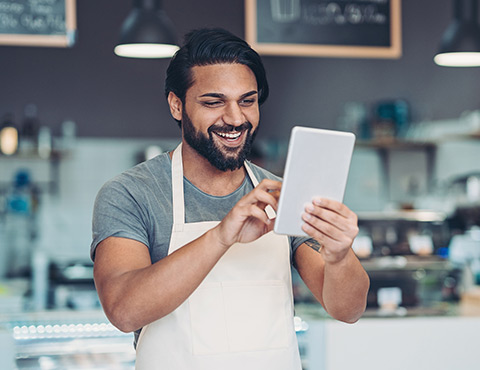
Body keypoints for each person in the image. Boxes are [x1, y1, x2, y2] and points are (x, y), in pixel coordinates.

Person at [91, 28, 369, 370]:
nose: (236, 119)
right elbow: (123, 311)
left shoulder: (281, 192)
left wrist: (340, 255)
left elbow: (348, 310)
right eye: (213, 102)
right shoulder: (132, 193)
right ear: (177, 105)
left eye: (247, 101)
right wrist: (222, 236)